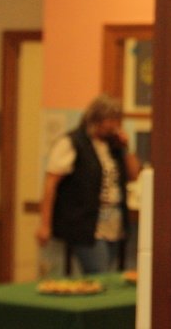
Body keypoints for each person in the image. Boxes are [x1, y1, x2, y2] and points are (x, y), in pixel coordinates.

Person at [36, 94, 141, 275]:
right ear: (96, 119)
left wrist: (126, 147)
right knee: (99, 270)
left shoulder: (114, 147)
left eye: (117, 120)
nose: (115, 125)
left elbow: (134, 175)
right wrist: (45, 224)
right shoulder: (72, 143)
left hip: (114, 223)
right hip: (85, 224)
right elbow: (50, 183)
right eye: (110, 120)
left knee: (107, 272)